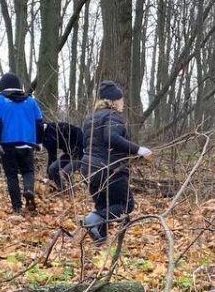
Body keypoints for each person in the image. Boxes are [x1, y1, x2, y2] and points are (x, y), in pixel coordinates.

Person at [79, 81, 151, 242]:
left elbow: (84, 143)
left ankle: (100, 242)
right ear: (115, 100)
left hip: (88, 168)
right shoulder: (113, 116)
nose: (123, 102)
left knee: (103, 207)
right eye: (121, 99)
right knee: (126, 205)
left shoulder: (90, 118)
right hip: (108, 169)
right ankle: (92, 220)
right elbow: (112, 137)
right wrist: (139, 150)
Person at [0, 72, 44, 215]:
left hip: (7, 143)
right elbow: (39, 123)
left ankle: (17, 207)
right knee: (28, 171)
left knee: (11, 175)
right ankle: (29, 189)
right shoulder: (30, 101)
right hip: (27, 142)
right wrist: (39, 141)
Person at [41, 121, 85, 191]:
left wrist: (77, 148)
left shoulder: (59, 128)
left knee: (66, 171)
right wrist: (48, 172)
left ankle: (73, 192)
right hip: (68, 154)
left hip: (80, 154)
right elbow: (52, 154)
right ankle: (62, 189)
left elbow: (78, 132)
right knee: (52, 169)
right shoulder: (48, 137)